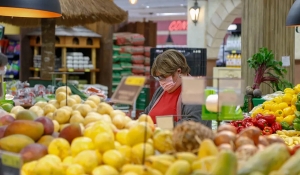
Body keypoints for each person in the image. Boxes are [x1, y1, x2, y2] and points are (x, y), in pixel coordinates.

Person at [143, 49, 211, 128]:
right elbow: (146, 114)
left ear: (178, 71)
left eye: (163, 76)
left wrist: (159, 127)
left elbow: (194, 123)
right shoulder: (161, 90)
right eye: (158, 77)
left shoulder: (195, 90)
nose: (160, 81)